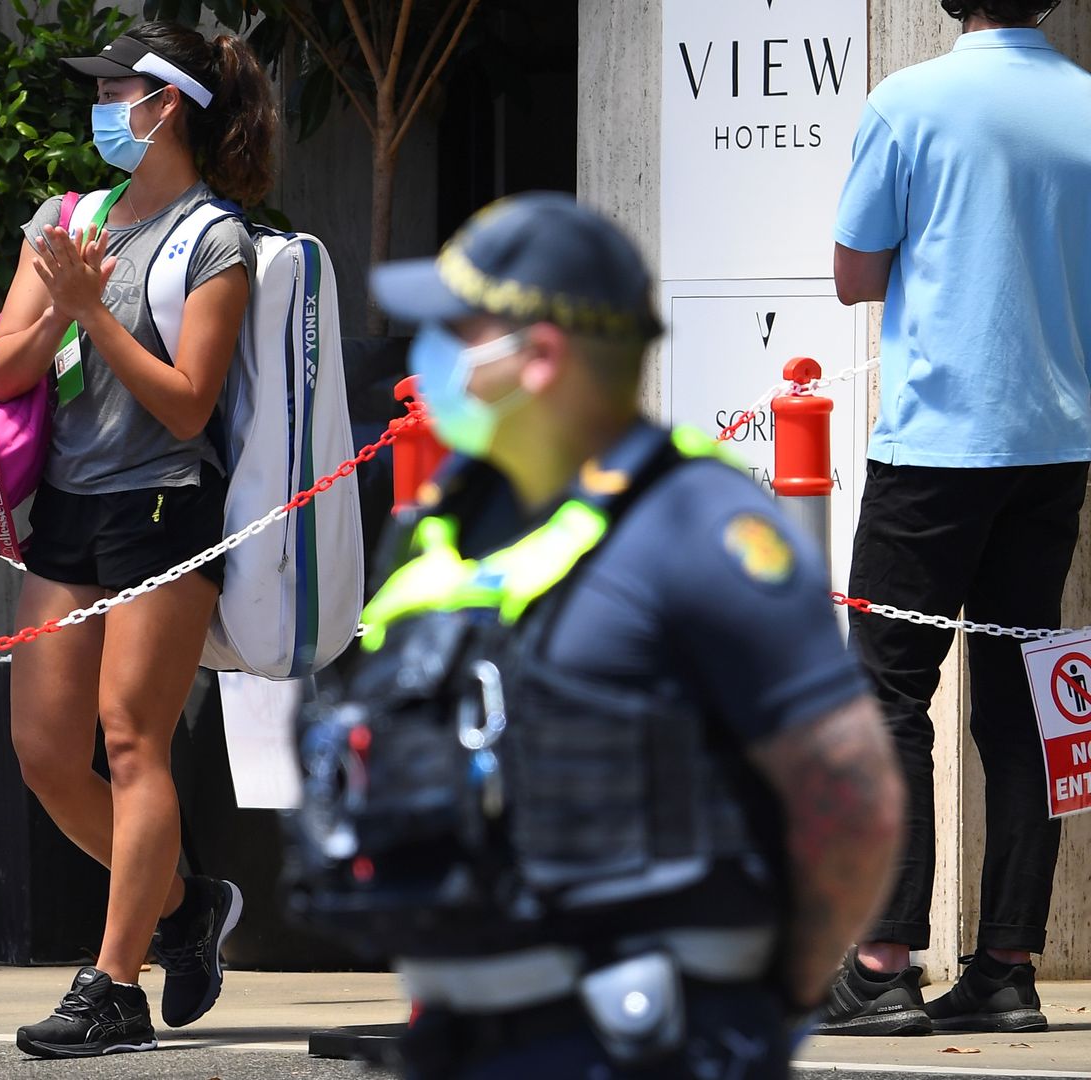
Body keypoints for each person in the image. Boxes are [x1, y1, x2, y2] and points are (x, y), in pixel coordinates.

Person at [302, 193, 905, 1078]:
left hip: (650, 1040)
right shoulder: (445, 523)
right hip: (463, 1031)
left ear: (540, 357)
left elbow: (848, 797)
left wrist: (773, 1003)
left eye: (460, 333)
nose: (432, 359)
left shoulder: (697, 527)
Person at [0, 22, 275, 1059]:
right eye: (100, 90)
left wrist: (91, 313)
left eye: (121, 89)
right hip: (68, 501)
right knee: (44, 750)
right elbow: (6, 373)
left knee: (129, 738)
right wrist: (60, 306)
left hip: (163, 501)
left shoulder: (216, 240)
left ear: (171, 105)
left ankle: (114, 986)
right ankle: (187, 907)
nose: (103, 106)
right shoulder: (64, 220)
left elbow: (190, 406)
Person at [822, 0, 1090, 1037]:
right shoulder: (1083, 101)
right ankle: (1010, 968)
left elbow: (855, 275)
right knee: (1027, 698)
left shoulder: (909, 99)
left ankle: (883, 962)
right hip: (1056, 444)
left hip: (937, 448)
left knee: (887, 693)